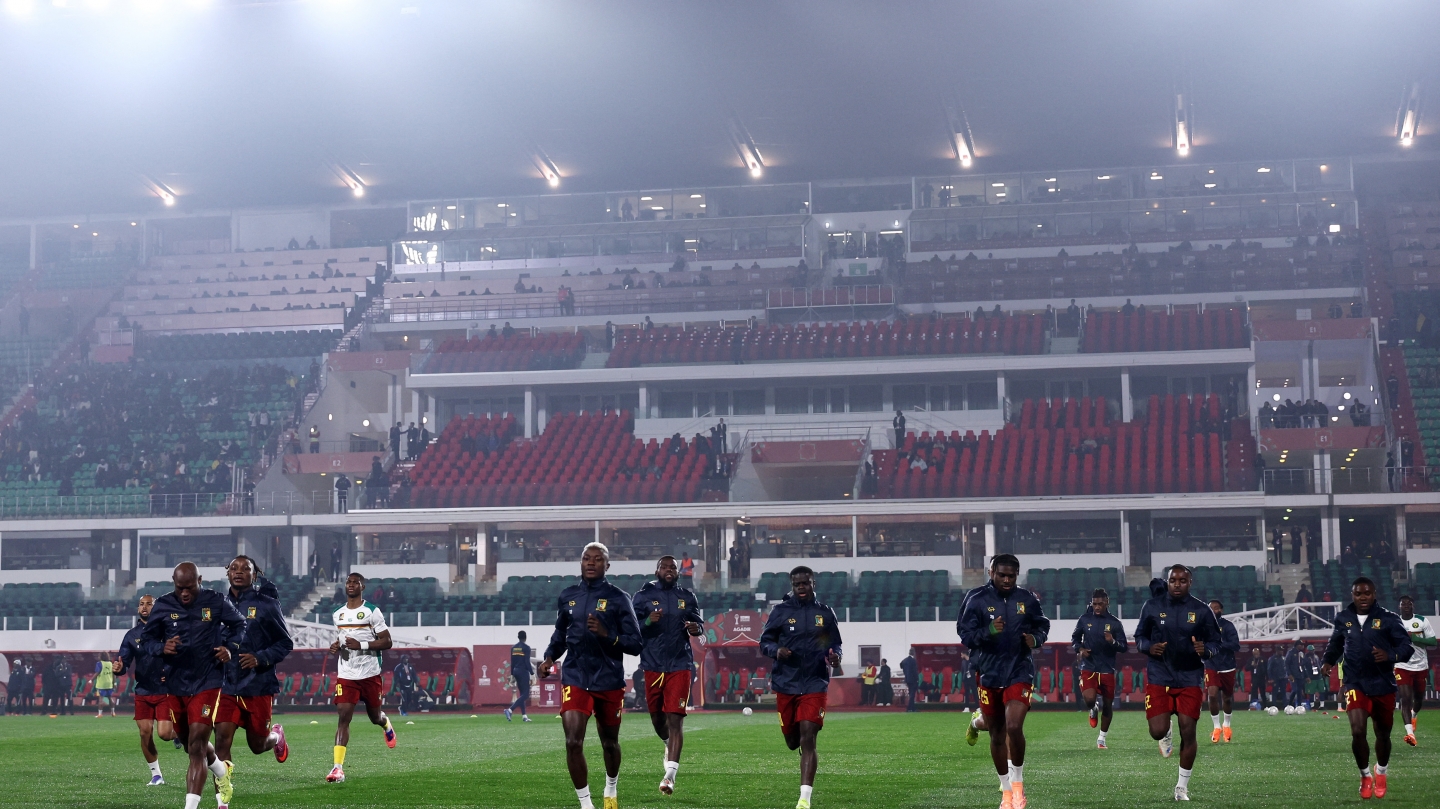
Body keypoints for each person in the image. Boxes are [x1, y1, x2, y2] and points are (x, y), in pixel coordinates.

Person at [539, 543, 643, 809]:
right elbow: (560, 635)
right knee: (573, 741)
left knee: (610, 742)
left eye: (598, 559)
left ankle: (611, 787)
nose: (591, 562)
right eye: (587, 558)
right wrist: (550, 657)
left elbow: (635, 644)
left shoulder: (619, 598)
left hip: (609, 679)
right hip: (575, 676)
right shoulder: (568, 596)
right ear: (581, 562)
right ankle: (586, 804)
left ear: (607, 565)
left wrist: (608, 635)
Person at [139, 562, 247, 809]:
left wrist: (230, 648)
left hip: (208, 681)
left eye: (189, 587)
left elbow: (240, 624)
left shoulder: (216, 601)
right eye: (180, 588)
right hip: (175, 683)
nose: (185, 593)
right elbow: (146, 639)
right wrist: (160, 647)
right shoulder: (164, 605)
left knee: (197, 744)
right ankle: (221, 773)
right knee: (191, 744)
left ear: (200, 580)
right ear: (173, 583)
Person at [956, 554, 1049, 809]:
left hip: (1020, 670)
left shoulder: (1027, 600)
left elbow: (1043, 625)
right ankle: (1006, 793)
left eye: (1011, 575)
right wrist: (988, 632)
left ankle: (1018, 787)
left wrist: (1036, 639)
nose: (1007, 580)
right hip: (988, 673)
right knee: (996, 734)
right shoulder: (976, 600)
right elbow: (965, 634)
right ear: (991, 573)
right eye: (1002, 575)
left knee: (1013, 725)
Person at [1134, 565, 1222, 802]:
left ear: (1190, 582)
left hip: (1190, 677)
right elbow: (1139, 637)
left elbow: (1216, 642)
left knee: (1189, 730)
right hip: (1159, 674)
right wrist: (1148, 648)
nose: (1177, 584)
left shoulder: (1202, 611)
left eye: (1182, 580)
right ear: (1168, 581)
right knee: (1157, 731)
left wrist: (1207, 651)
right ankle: (1165, 733)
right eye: (1173, 580)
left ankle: (1181, 787)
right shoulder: (1152, 606)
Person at [1322, 577, 1413, 799]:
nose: (1363, 597)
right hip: (1355, 682)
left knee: (1383, 734)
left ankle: (1380, 771)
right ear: (1352, 595)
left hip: (1383, 683)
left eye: (1367, 593)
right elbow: (1335, 644)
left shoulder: (1389, 619)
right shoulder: (1344, 618)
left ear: (1374, 594)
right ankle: (1364, 776)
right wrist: (1328, 661)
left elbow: (1406, 647)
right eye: (1358, 594)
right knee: (1357, 730)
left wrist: (1390, 655)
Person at [759, 566, 843, 809]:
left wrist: (835, 656)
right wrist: (776, 651)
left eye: (805, 583)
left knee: (809, 738)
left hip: (815, 683)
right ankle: (793, 740)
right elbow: (765, 642)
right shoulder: (781, 612)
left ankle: (804, 798)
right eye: (797, 584)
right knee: (792, 741)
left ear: (813, 583)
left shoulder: (825, 614)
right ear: (792, 585)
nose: (801, 587)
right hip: (786, 683)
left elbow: (835, 643)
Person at [214, 556, 294, 801]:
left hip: (258, 685)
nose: (239, 572)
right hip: (227, 685)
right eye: (234, 568)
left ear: (254, 575)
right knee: (221, 741)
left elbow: (285, 643)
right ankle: (222, 800)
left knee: (257, 746)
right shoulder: (217, 605)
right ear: (227, 573)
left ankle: (276, 736)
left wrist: (260, 658)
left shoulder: (267, 604)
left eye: (245, 569)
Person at [632, 555, 704, 795]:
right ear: (657, 571)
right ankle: (667, 744)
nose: (669, 570)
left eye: (673, 567)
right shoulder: (642, 597)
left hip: (680, 665)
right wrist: (648, 622)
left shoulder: (687, 597)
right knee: (657, 720)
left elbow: (697, 623)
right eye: (665, 567)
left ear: (678, 572)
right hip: (652, 665)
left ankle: (669, 776)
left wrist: (697, 628)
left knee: (675, 719)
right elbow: (631, 629)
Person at [327, 572, 398, 783]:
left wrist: (362, 645)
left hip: (370, 674)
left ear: (362, 586)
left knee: (374, 717)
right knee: (343, 717)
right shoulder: (337, 613)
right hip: (347, 673)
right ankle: (337, 768)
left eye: (355, 582)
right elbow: (342, 639)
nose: (350, 585)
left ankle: (386, 724)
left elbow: (387, 641)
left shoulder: (372, 612)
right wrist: (337, 646)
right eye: (348, 582)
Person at [115, 594, 177, 785]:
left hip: (166, 690)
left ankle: (181, 732)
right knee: (145, 733)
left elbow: (182, 656)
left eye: (149, 604)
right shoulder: (132, 635)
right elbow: (123, 661)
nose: (144, 607)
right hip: (143, 690)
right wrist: (119, 669)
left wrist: (173, 673)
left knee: (165, 734)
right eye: (141, 604)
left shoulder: (168, 631)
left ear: (156, 608)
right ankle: (156, 775)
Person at [1070, 587, 1128, 749]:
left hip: (1107, 669)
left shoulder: (1115, 623)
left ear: (1107, 603)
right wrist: (1081, 649)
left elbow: (1123, 647)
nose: (1097, 607)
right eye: (1094, 604)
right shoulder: (1084, 619)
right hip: (1089, 667)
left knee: (1108, 705)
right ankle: (1093, 707)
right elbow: (1075, 639)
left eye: (1100, 604)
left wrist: (1112, 642)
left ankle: (1101, 739)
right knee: (1089, 699)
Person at [1395, 595, 1436, 746]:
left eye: (1408, 603)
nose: (1406, 605)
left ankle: (1414, 715)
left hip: (1420, 666)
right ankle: (1410, 734)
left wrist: (1415, 638)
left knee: (1418, 698)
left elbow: (1433, 642)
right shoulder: (1395, 622)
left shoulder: (1422, 620)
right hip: (1402, 665)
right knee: (1405, 698)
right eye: (1403, 603)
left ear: (1413, 606)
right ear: (1399, 607)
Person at [1203, 600, 1242, 744]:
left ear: (1221, 610)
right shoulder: (1203, 627)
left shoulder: (1228, 626)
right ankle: (1216, 727)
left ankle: (1227, 725)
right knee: (1212, 695)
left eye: (1216, 608)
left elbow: (1236, 645)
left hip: (1227, 666)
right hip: (1211, 665)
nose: (1213, 610)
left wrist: (1219, 645)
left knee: (1227, 698)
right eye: (1211, 608)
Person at [505, 630, 534, 723]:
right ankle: (509, 710)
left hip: (516, 671)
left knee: (522, 694)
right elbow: (527, 662)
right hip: (523, 672)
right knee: (525, 694)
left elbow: (512, 662)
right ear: (525, 637)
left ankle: (524, 716)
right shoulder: (526, 648)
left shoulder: (513, 648)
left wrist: (512, 674)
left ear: (518, 637)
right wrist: (532, 674)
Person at [900, 648, 920, 712]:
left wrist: (905, 672)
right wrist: (917, 679)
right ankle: (910, 708)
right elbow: (914, 671)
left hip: (907, 679)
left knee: (911, 693)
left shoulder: (904, 660)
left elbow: (901, 665)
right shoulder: (913, 660)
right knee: (912, 694)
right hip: (913, 680)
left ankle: (910, 708)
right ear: (914, 653)